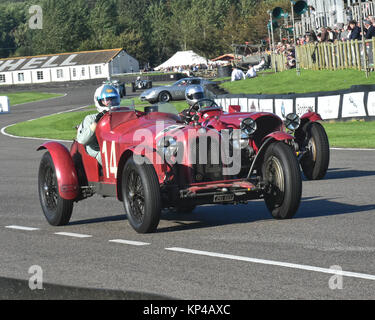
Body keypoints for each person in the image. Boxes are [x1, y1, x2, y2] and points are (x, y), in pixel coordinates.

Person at [76, 84, 121, 165]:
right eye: (107, 100)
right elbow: (82, 140)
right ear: (99, 101)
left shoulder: (121, 115)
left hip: (116, 147)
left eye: (113, 99)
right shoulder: (91, 118)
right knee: (106, 155)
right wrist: (95, 123)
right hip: (98, 150)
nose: (110, 102)